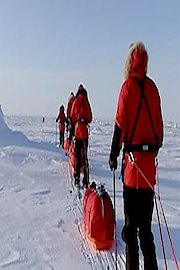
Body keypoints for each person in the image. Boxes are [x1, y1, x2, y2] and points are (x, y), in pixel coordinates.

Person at [109, 42, 163, 270]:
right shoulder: (153, 88)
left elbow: (120, 125)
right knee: (146, 229)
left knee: (131, 229)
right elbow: (159, 133)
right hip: (149, 170)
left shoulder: (127, 87)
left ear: (129, 61)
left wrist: (114, 154)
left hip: (132, 172)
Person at [70, 84, 92, 188]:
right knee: (85, 155)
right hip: (85, 132)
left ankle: (77, 177)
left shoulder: (75, 101)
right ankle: (86, 179)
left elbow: (72, 116)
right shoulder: (86, 101)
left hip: (77, 130)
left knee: (77, 155)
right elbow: (90, 117)